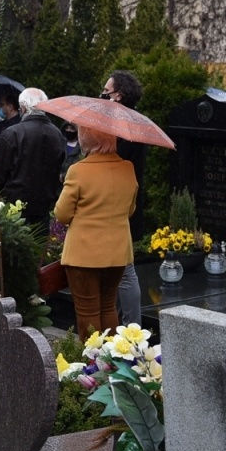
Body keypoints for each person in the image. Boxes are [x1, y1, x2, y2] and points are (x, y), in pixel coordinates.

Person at [53, 125, 139, 337]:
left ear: (86, 139)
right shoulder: (128, 168)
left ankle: (93, 365)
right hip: (118, 252)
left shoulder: (78, 170)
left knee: (87, 312)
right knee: (108, 307)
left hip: (84, 255)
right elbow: (130, 210)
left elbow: (62, 214)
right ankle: (111, 360)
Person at [101, 70, 147, 322]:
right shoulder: (127, 121)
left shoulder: (126, 125)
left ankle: (132, 329)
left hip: (119, 205)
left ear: (118, 95)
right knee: (119, 270)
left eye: (106, 92)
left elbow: (118, 160)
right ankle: (121, 323)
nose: (103, 95)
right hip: (121, 202)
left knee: (125, 270)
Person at [0, 87, 67, 227]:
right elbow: (59, 170)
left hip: (14, 208)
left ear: (23, 108)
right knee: (39, 247)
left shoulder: (12, 134)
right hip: (44, 207)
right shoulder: (57, 135)